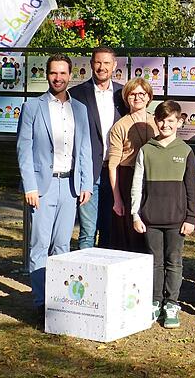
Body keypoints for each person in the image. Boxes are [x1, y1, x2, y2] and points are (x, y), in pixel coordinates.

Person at [17, 54, 92, 322]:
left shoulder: (80, 110)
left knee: (62, 246)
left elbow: (84, 149)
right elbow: (23, 150)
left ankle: (58, 302)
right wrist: (30, 186)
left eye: (62, 73)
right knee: (39, 245)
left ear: (70, 75)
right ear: (47, 75)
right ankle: (40, 303)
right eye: (53, 73)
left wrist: (85, 184)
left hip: (70, 186)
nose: (58, 78)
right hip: (42, 187)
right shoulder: (32, 108)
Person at [131, 100, 195, 329]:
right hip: (150, 219)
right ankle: (155, 301)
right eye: (161, 120)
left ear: (179, 122)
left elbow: (192, 188)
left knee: (174, 262)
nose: (165, 124)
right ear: (155, 121)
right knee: (154, 262)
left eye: (170, 120)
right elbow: (137, 186)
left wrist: (191, 218)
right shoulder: (146, 150)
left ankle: (171, 303)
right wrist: (135, 215)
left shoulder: (186, 151)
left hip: (177, 221)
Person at [70, 47, 127, 249]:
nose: (102, 67)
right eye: (98, 62)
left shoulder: (124, 95)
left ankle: (104, 278)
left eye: (106, 63)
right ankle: (85, 279)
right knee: (87, 231)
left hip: (115, 173)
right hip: (88, 173)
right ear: (91, 64)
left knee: (110, 231)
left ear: (114, 66)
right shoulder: (76, 94)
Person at [107, 78, 157, 253]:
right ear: (126, 97)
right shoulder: (119, 126)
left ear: (148, 96)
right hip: (128, 178)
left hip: (153, 179)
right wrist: (117, 199)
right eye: (132, 94)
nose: (137, 97)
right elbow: (112, 165)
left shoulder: (158, 123)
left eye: (141, 93)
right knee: (130, 232)